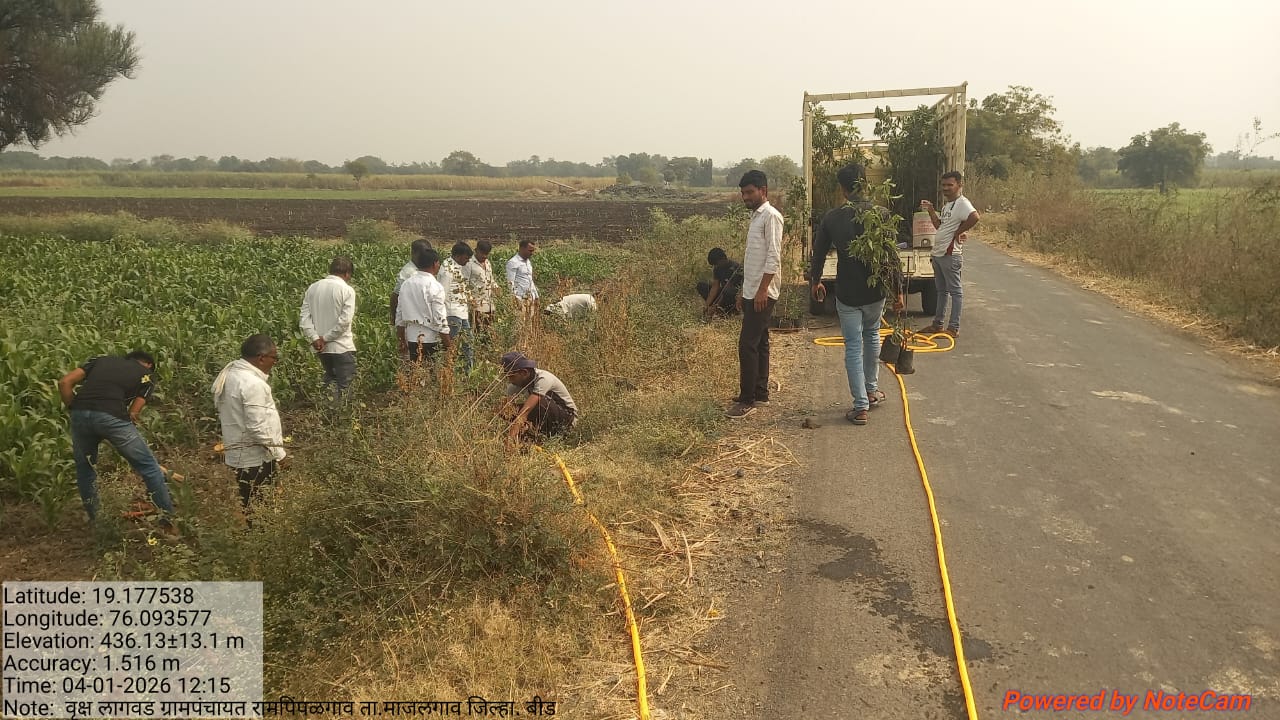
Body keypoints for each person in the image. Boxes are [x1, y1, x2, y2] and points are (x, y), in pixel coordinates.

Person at [811, 164, 905, 426]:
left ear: (842, 189)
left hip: (847, 292)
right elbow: (892, 256)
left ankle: (860, 405)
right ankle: (871, 391)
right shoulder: (881, 214)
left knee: (853, 345)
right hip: (876, 292)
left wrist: (815, 281)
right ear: (864, 183)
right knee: (872, 335)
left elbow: (819, 253)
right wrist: (898, 291)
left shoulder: (832, 218)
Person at [57, 350, 176, 532]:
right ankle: (167, 522)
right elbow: (134, 413)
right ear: (149, 365)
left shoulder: (100, 360)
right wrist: (121, 431)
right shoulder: (147, 375)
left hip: (80, 413)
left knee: (85, 470)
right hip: (112, 417)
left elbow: (64, 382)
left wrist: (75, 409)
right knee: (149, 467)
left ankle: (97, 522)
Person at [727, 169, 783, 419]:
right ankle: (760, 393)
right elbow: (753, 260)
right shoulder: (756, 217)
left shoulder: (771, 216)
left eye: (750, 192)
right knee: (760, 342)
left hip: (763, 292)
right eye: (743, 193)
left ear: (763, 191)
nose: (745, 197)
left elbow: (773, 256)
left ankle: (747, 400)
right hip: (753, 290)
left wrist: (762, 291)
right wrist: (744, 291)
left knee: (747, 344)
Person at [212, 335, 286, 513]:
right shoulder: (252, 384)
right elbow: (257, 428)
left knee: (250, 504)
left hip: (239, 455)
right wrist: (279, 454)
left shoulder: (231, 374)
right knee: (261, 508)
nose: (275, 362)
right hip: (256, 458)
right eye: (274, 357)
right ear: (261, 358)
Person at [920, 171, 980, 337]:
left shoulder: (962, 203)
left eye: (950, 185)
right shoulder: (948, 205)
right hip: (939, 253)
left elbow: (975, 217)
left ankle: (953, 327)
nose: (946, 188)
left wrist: (958, 232)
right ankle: (937, 324)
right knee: (941, 291)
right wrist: (931, 210)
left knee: (955, 291)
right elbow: (940, 227)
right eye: (944, 185)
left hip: (950, 254)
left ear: (959, 185)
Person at [299, 256, 357, 406]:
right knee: (345, 386)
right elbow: (344, 322)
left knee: (330, 381)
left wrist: (315, 338)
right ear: (347, 274)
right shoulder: (347, 290)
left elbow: (304, 318)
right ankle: (340, 415)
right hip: (341, 346)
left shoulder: (313, 288)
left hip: (321, 348)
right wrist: (325, 338)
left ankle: (326, 411)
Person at [499, 351, 578, 443]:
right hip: (547, 417)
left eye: (511, 376)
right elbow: (507, 408)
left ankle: (556, 435)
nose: (509, 380)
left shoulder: (543, 378)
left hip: (567, 418)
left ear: (524, 373)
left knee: (536, 403)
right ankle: (531, 436)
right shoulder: (515, 385)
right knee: (505, 410)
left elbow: (526, 411)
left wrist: (510, 438)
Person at [395, 247, 453, 364]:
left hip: (411, 338)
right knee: (430, 371)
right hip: (430, 339)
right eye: (438, 263)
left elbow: (399, 316)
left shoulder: (406, 284)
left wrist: (401, 340)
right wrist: (449, 345)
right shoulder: (435, 286)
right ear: (434, 264)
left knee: (415, 370)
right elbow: (439, 319)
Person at [439, 242, 475, 373]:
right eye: (466, 258)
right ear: (458, 256)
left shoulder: (456, 267)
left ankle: (467, 373)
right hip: (452, 313)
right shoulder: (447, 271)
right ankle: (449, 373)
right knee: (452, 346)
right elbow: (442, 295)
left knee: (468, 344)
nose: (468, 261)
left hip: (461, 312)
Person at [390, 239, 434, 337]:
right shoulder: (408, 273)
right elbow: (396, 296)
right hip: (412, 323)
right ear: (414, 253)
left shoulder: (423, 269)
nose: (426, 256)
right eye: (423, 253)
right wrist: (394, 319)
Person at [696, 247, 744, 319]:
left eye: (716, 264)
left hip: (732, 297)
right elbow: (715, 287)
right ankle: (712, 309)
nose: (716, 266)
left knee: (727, 292)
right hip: (723, 293)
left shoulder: (735, 268)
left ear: (723, 259)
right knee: (701, 286)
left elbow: (727, 290)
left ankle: (723, 310)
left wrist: (716, 306)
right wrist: (706, 305)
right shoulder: (717, 269)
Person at [465, 239, 499, 332]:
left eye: (487, 254)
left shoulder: (487, 263)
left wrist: (496, 288)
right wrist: (471, 299)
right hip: (477, 306)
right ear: (476, 250)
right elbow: (464, 283)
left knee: (489, 332)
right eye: (482, 253)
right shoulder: (468, 263)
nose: (484, 256)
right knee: (478, 331)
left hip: (490, 305)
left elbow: (491, 279)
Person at [505, 239, 539, 313]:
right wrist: (516, 299)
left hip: (530, 298)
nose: (532, 253)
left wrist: (536, 296)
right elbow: (510, 283)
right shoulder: (513, 262)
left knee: (530, 320)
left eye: (533, 251)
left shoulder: (528, 262)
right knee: (521, 319)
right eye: (530, 251)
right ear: (522, 249)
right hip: (521, 300)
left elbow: (530, 280)